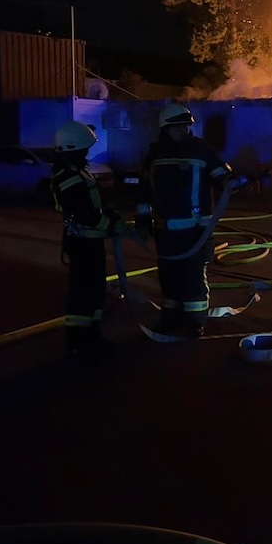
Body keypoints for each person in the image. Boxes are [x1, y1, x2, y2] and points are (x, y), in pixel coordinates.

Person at [135, 103, 231, 338]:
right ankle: (170, 317)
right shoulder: (155, 154)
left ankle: (195, 322)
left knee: (193, 277)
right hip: (164, 231)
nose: (183, 130)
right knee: (168, 277)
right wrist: (142, 220)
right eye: (177, 127)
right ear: (164, 129)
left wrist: (236, 182)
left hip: (195, 231)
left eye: (186, 126)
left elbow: (223, 177)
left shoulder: (202, 150)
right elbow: (144, 191)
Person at [51, 120, 127, 356]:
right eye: (85, 148)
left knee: (93, 291)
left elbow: (93, 205)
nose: (88, 152)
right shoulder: (70, 176)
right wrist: (111, 225)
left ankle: (91, 337)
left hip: (87, 242)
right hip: (84, 243)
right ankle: (80, 343)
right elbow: (85, 213)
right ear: (76, 148)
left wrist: (110, 215)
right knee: (84, 293)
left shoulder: (75, 172)